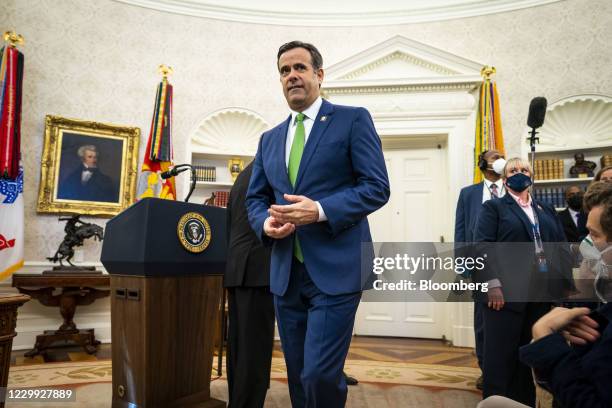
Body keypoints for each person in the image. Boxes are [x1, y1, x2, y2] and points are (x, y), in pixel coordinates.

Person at [246, 41, 390, 407]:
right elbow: (255, 199)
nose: (291, 76)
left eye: (300, 68)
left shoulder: (352, 118)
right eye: (284, 71)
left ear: (319, 75)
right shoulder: (269, 139)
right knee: (297, 374)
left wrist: (320, 210)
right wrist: (266, 225)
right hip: (285, 273)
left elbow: (376, 187)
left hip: (336, 271)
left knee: (319, 375)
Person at [473, 157, 573, 406]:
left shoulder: (546, 210)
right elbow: (482, 246)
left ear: (532, 175)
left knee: (526, 356)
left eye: (524, 169)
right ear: (505, 178)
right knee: (500, 358)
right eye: (513, 170)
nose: (519, 173)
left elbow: (560, 248)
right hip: (504, 294)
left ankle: (522, 403)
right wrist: (491, 283)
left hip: (540, 292)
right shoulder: (494, 208)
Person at [454, 149, 506, 389]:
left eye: (501, 157)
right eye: (495, 157)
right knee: (483, 321)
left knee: (510, 318)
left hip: (511, 264)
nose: (500, 160)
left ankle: (510, 370)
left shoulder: (514, 189)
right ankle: (487, 370)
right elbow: (461, 230)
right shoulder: (468, 194)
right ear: (482, 163)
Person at [224, 161, 275, 408]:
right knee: (255, 349)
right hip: (258, 268)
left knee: (239, 346)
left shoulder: (244, 175)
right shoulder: (271, 172)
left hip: (237, 267)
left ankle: (239, 401)